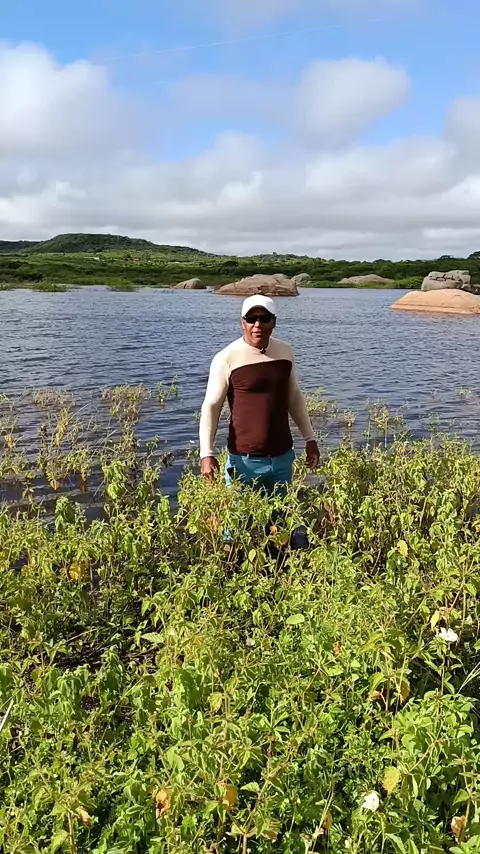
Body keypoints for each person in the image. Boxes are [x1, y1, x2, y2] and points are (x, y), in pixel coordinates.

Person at [199, 295, 320, 497]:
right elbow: (211, 406)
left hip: (282, 458)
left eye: (264, 318)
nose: (257, 325)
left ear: (274, 322)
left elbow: (294, 396)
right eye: (251, 319)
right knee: (240, 517)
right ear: (242, 323)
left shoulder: (285, 352)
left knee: (280, 516)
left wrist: (310, 439)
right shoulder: (226, 358)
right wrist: (207, 454)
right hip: (244, 461)